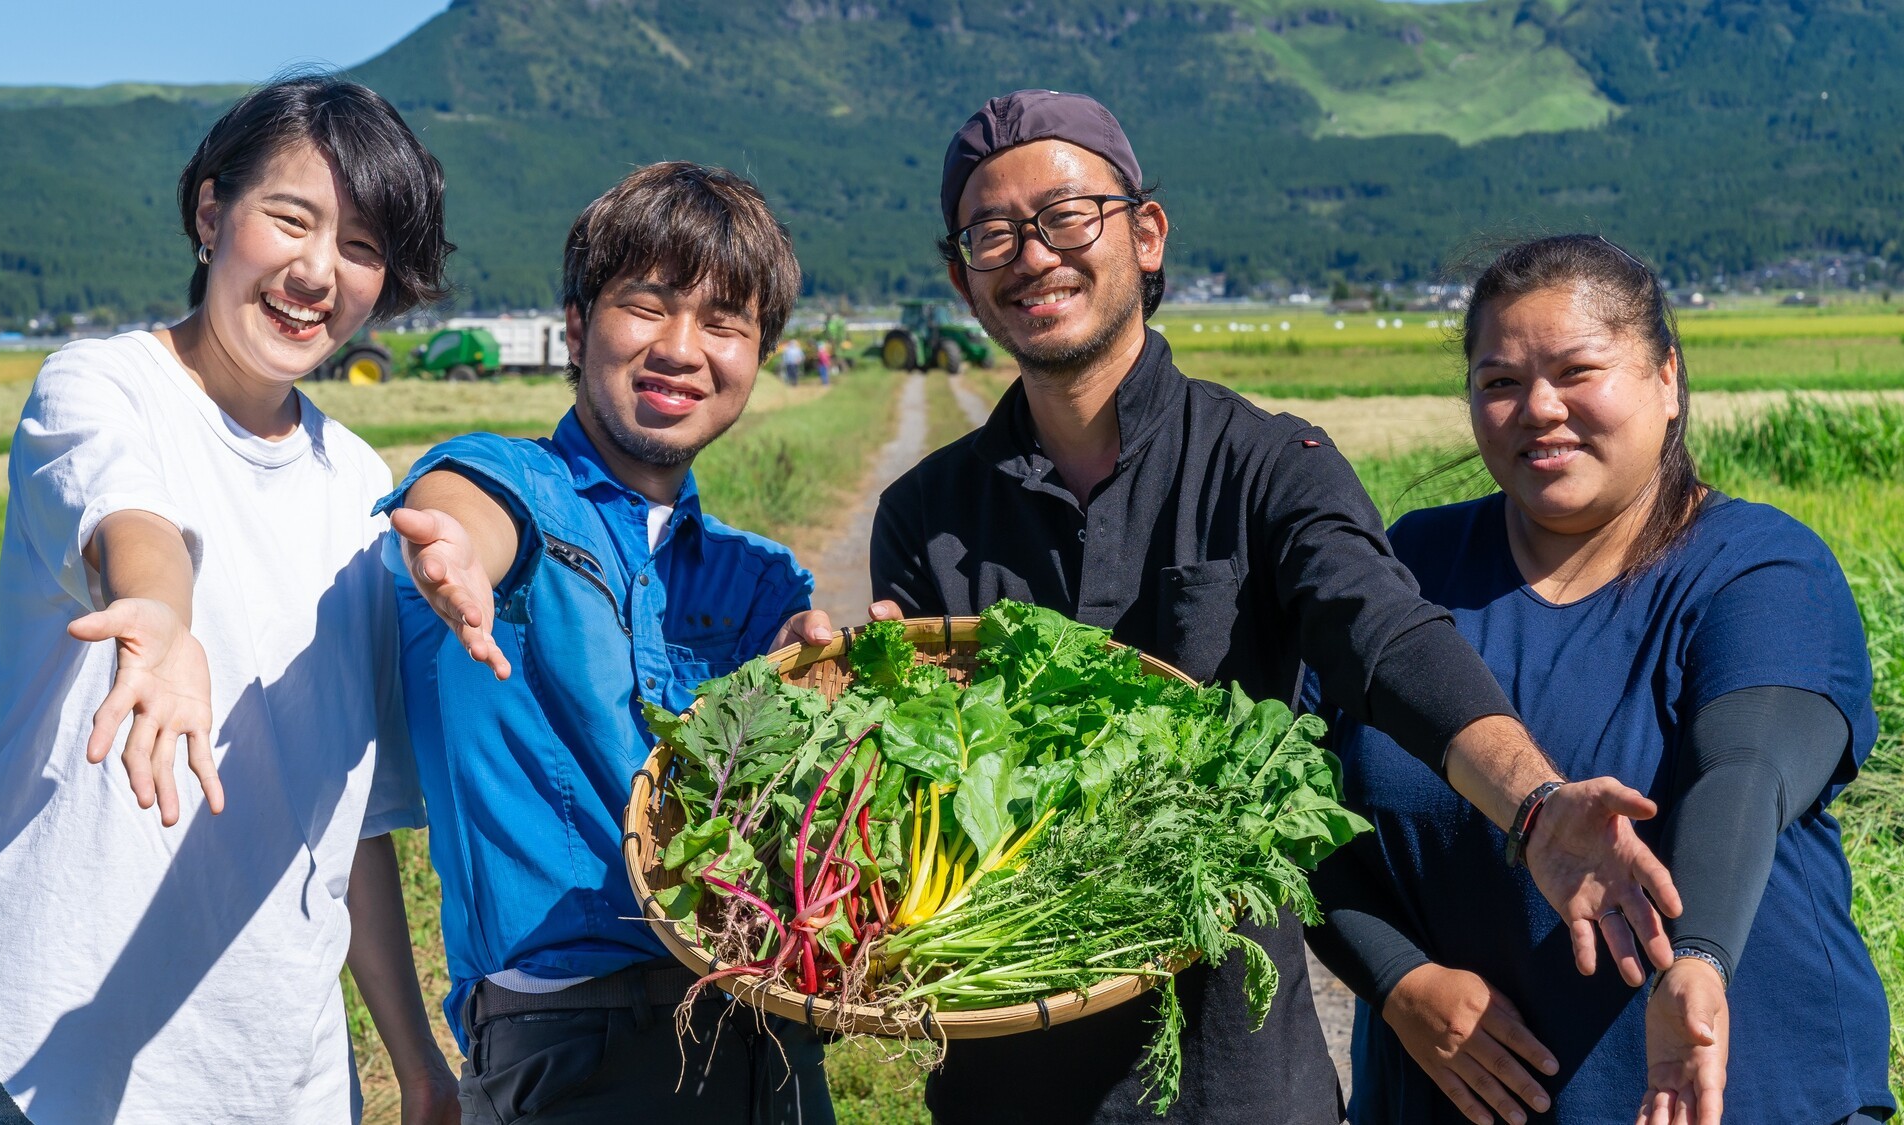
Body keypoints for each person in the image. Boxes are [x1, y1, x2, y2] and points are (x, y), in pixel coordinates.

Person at [867, 90, 1685, 1124]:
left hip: (1232, 1077)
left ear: (1145, 233)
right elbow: (911, 777)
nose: (1033, 255)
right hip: (1003, 1078)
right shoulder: (924, 513)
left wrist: (1530, 803)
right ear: (961, 277)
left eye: (1066, 217)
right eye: (993, 234)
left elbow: (1382, 636)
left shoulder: (1268, 465)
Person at [0, 76, 457, 1124]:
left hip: (273, 1076)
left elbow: (349, 823)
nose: (315, 271)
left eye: (361, 247)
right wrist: (159, 617)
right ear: (211, 213)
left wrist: (416, 1064)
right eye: (289, 219)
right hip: (39, 1057)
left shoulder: (356, 485)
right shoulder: (103, 387)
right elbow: (132, 522)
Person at [1304, 235, 1894, 1125]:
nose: (1539, 408)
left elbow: (1746, 769)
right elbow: (1279, 807)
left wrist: (1695, 960)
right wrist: (1398, 979)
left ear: (1667, 379)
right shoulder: (1407, 568)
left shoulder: (1760, 570)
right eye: (1500, 383)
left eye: (1578, 370)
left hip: (1732, 1100)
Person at [378, 161, 838, 1125]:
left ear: (759, 356)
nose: (681, 348)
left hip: (767, 1024)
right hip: (574, 1034)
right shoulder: (507, 479)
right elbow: (467, 509)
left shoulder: (761, 580)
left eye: (724, 323)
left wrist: (826, 672)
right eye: (649, 307)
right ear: (580, 327)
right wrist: (454, 551)